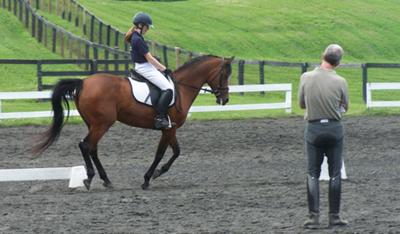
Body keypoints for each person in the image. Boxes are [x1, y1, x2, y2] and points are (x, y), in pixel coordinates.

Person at [298, 44, 349, 229]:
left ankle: (313, 218)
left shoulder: (306, 77)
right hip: (334, 129)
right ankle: (334, 216)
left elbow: (302, 104)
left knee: (312, 174)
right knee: (335, 174)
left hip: (313, 130)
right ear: (338, 62)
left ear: (323, 56)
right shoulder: (341, 81)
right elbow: (345, 106)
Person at [125, 12, 173, 130]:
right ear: (141, 25)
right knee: (168, 89)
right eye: (147, 27)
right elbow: (149, 58)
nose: (148, 29)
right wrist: (164, 69)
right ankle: (160, 118)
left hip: (142, 65)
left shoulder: (135, 37)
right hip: (144, 67)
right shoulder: (138, 39)